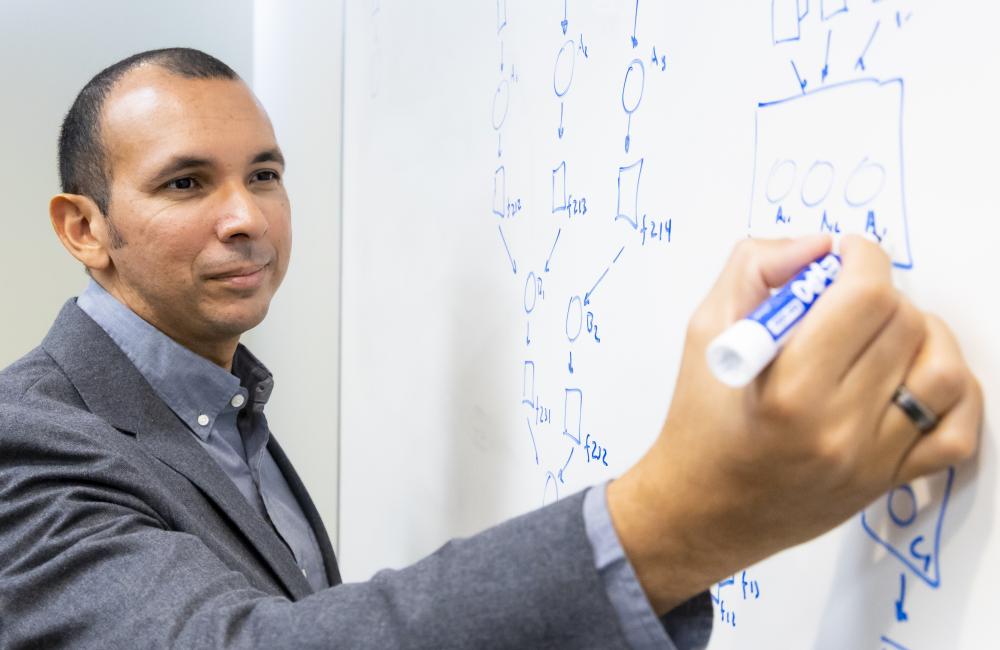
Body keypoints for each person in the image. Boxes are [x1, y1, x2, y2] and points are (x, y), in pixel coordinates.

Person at [0, 47, 982, 649]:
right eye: (185, 184)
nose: (248, 217)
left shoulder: (217, 394)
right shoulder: (29, 435)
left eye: (263, 173)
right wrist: (671, 521)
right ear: (82, 228)